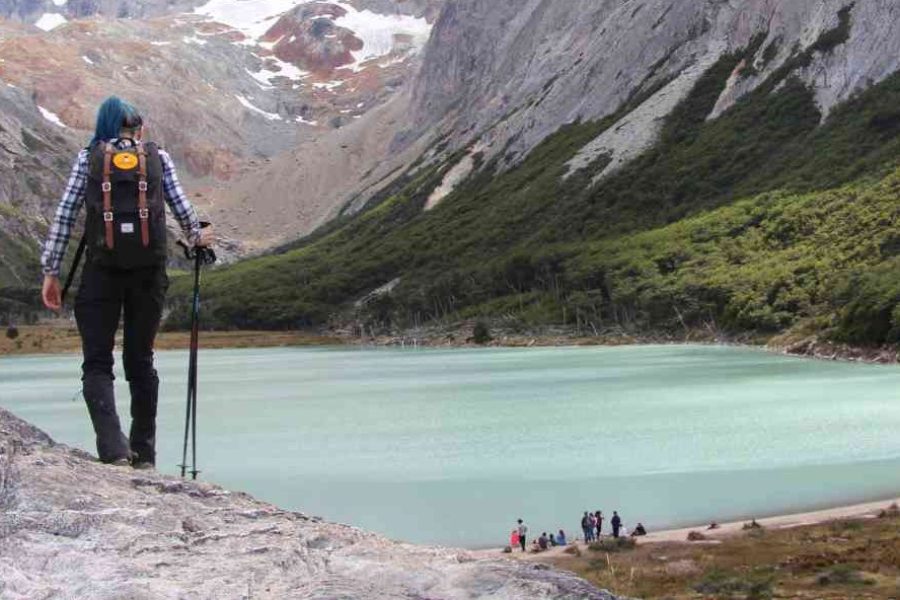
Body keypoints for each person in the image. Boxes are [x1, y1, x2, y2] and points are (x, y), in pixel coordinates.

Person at [40, 96, 214, 468]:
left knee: (97, 363)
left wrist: (51, 272)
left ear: (103, 126)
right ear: (139, 127)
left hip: (100, 272)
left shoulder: (88, 159)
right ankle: (145, 454)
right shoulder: (157, 158)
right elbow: (185, 212)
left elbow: (64, 216)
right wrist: (199, 237)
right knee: (141, 360)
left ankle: (114, 450)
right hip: (148, 274)